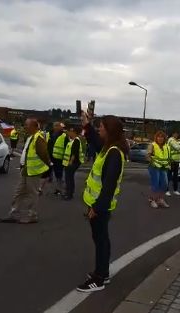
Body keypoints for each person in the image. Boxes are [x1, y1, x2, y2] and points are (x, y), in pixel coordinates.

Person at [76, 112, 128, 292]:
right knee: (100, 239)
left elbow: (109, 186)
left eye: (101, 127)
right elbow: (95, 141)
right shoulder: (108, 148)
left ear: (110, 130)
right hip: (97, 204)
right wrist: (87, 125)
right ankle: (102, 273)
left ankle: (99, 278)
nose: (99, 129)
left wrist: (96, 208)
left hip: (100, 206)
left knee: (101, 240)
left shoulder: (114, 154)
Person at [0, 118, 51, 224]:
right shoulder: (31, 137)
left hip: (33, 172)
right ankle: (13, 214)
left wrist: (47, 168)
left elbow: (44, 155)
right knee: (19, 192)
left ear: (35, 127)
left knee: (33, 194)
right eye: (25, 125)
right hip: (26, 171)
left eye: (27, 125)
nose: (25, 127)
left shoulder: (38, 138)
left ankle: (32, 215)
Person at [146, 130, 170, 209]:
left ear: (164, 138)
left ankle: (160, 199)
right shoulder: (152, 145)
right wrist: (152, 162)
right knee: (155, 184)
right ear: (156, 138)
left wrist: (168, 165)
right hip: (154, 167)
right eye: (158, 137)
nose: (160, 138)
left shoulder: (167, 146)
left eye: (162, 137)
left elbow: (168, 157)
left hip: (163, 167)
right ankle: (152, 200)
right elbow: (147, 156)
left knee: (164, 184)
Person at [62, 126, 84, 200]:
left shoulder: (76, 141)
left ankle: (69, 194)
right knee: (68, 178)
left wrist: (70, 162)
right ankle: (68, 192)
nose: (69, 133)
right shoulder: (72, 140)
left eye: (71, 131)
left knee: (69, 179)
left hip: (73, 163)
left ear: (74, 132)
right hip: (69, 163)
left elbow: (74, 153)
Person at [48, 122, 69, 195]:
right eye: (54, 126)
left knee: (59, 174)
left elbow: (67, 147)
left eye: (57, 126)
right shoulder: (50, 134)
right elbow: (49, 145)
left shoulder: (64, 136)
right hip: (52, 157)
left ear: (60, 127)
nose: (55, 127)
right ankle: (58, 187)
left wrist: (66, 158)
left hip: (60, 158)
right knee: (53, 172)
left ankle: (59, 189)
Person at [165, 131, 180, 196]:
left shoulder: (176, 140)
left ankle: (175, 190)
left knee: (175, 177)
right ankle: (166, 190)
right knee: (168, 176)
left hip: (176, 161)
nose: (176, 134)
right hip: (171, 160)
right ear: (172, 133)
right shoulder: (171, 140)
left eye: (177, 133)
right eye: (175, 133)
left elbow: (178, 146)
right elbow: (177, 147)